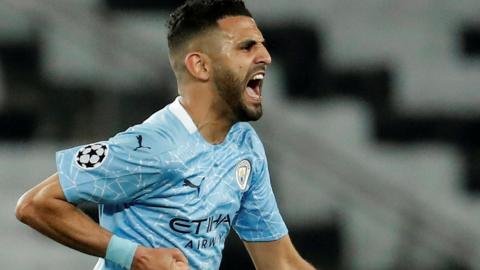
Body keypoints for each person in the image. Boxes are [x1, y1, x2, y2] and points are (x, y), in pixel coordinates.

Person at [15, 0, 316, 269]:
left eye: (261, 45)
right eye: (247, 46)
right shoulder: (152, 146)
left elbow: (280, 261)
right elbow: (36, 204)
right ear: (200, 65)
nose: (266, 56)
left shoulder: (244, 145)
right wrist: (136, 256)